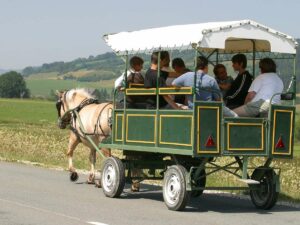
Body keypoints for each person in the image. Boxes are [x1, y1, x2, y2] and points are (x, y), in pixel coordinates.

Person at [172, 56, 237, 117]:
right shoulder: (211, 80)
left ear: (195, 66)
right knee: (235, 116)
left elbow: (174, 84)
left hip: (192, 110)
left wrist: (187, 90)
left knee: (176, 105)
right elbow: (219, 100)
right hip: (209, 112)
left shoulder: (186, 76)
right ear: (206, 66)